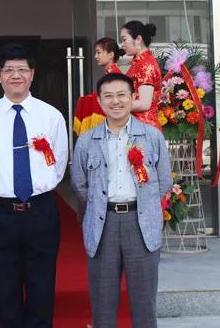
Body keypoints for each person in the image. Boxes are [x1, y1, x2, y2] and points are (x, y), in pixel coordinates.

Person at [0, 43, 68, 328]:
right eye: (9, 70)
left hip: (41, 210)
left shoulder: (51, 115)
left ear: (32, 74)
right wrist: (1, 186)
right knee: (5, 288)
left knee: (42, 286)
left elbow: (59, 163)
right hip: (1, 213)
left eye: (22, 69)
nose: (16, 75)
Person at [71, 72, 172, 328]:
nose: (115, 101)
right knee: (103, 303)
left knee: (144, 302)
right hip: (102, 224)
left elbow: (164, 180)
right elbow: (80, 184)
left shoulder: (152, 136)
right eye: (108, 96)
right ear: (99, 101)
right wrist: (98, 206)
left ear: (132, 97)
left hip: (141, 224)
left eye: (121, 95)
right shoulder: (86, 141)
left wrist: (145, 204)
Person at [75, 37, 126, 136]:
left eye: (99, 52)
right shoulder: (110, 73)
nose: (95, 56)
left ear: (111, 55)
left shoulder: (114, 75)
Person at [120, 21, 162, 131]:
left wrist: (116, 105)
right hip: (138, 126)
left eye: (124, 39)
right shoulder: (140, 62)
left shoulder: (145, 64)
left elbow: (144, 103)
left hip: (144, 128)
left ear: (138, 39)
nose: (122, 44)